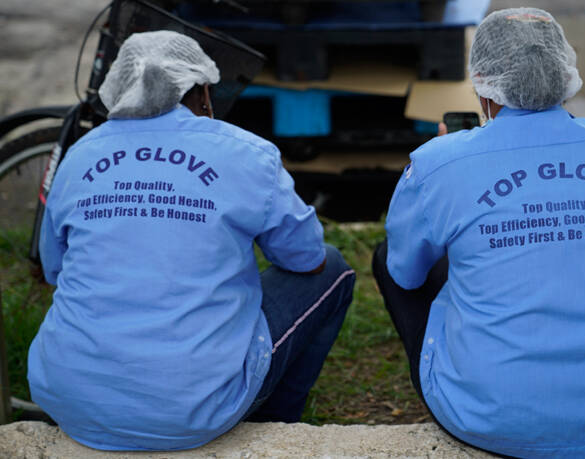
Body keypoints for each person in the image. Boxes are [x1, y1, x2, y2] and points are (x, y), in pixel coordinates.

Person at [372, 7, 585, 458]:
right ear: (567, 73)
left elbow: (406, 275)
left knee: (391, 255)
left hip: (488, 420)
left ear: (481, 84)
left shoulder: (437, 162)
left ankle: (468, 376)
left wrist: (448, 159)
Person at [27, 30, 355, 451]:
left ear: (117, 90)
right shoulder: (246, 152)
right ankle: (275, 425)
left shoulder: (79, 156)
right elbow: (307, 260)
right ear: (202, 92)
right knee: (333, 268)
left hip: (70, 402)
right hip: (193, 410)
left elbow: (55, 270)